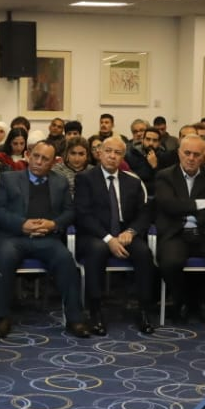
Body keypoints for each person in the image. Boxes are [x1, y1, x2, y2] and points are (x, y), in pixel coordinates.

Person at [0, 141, 88, 339]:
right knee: (4, 258)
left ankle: (75, 319)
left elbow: (70, 212)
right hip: (15, 237)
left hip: (47, 238)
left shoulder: (60, 182)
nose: (38, 162)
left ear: (53, 163)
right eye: (36, 156)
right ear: (28, 155)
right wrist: (22, 224)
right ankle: (2, 317)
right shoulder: (9, 179)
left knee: (66, 260)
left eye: (45, 159)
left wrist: (53, 224)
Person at [74, 136, 157, 335]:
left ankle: (144, 310)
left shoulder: (133, 181)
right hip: (95, 234)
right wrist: (108, 239)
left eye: (118, 153)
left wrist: (131, 231)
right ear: (99, 153)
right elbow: (83, 215)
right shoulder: (85, 179)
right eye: (108, 151)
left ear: (123, 157)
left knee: (144, 253)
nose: (112, 156)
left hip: (124, 234)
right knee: (97, 251)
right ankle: (95, 311)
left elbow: (144, 214)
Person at [152, 135, 205, 323]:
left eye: (196, 155)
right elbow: (168, 205)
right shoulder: (165, 176)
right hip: (176, 232)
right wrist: (201, 204)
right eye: (187, 153)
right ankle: (182, 301)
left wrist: (193, 214)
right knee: (170, 263)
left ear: (204, 156)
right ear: (179, 153)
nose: (191, 158)